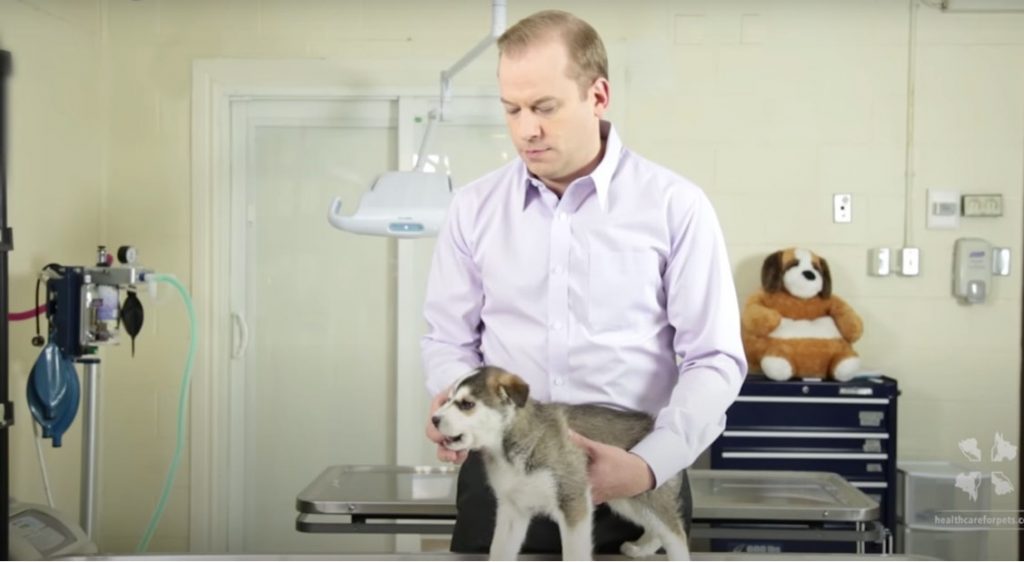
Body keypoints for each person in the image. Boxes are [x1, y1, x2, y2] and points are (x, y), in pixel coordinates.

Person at [421, 9, 747, 554]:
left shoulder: (674, 206)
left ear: (598, 96)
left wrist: (648, 464)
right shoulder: (472, 208)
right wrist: (463, 409)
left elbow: (714, 358)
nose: (527, 129)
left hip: (633, 474)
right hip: (503, 476)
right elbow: (447, 338)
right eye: (512, 109)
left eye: (545, 107)